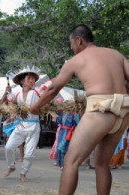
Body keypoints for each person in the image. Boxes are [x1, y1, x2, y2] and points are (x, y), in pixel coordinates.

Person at [30, 24, 129, 194]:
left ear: (79, 40)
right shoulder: (117, 55)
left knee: (71, 162)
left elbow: (53, 89)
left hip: (100, 110)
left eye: (71, 44)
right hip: (124, 111)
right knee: (101, 163)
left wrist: (36, 107)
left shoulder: (76, 60)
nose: (72, 48)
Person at [1, 65, 52, 182]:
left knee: (29, 154)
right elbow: (4, 102)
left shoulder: (38, 92)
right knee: (8, 147)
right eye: (30, 78)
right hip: (20, 126)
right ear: (22, 81)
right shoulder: (17, 94)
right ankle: (11, 166)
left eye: (34, 79)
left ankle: (23, 173)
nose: (33, 80)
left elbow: (47, 100)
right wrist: (6, 92)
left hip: (34, 126)